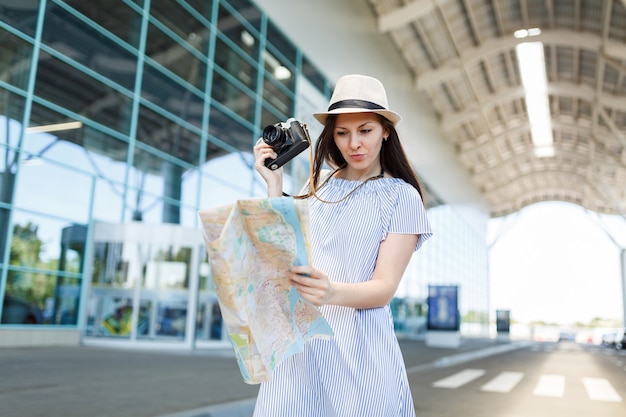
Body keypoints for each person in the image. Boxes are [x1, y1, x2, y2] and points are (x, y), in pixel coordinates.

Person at [252, 74, 432, 417]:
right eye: (342, 133)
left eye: (365, 130)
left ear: (385, 131)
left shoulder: (402, 197)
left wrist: (330, 292)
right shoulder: (319, 183)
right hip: (301, 347)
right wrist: (274, 184)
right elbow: (285, 250)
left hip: (359, 350)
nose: (354, 144)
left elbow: (383, 288)